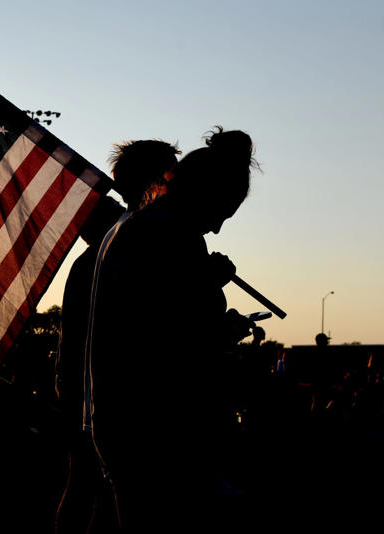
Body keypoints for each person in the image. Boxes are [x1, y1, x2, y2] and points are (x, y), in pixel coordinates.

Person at [87, 127, 258, 528]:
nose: (216, 228)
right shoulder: (170, 236)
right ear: (205, 194)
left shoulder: (146, 229)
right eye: (221, 213)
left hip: (131, 424)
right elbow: (165, 342)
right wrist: (222, 332)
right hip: (153, 431)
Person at [55, 140, 181, 533]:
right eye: (171, 175)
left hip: (85, 391)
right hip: (114, 397)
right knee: (111, 496)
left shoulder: (95, 256)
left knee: (88, 489)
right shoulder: (134, 248)